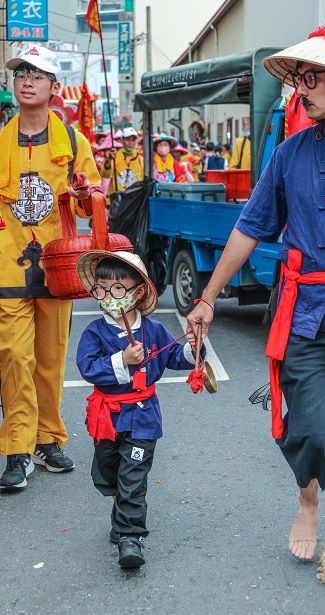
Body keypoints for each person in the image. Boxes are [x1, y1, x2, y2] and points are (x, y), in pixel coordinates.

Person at [186, 19, 325, 589]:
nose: (301, 89)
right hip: (306, 310)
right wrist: (208, 298)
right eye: (300, 78)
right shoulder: (289, 155)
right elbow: (250, 228)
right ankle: (308, 499)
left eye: (312, 78)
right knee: (310, 428)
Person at [0, 45, 101, 490]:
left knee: (49, 359)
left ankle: (48, 438)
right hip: (7, 266)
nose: (27, 79)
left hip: (58, 268)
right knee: (15, 360)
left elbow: (96, 199)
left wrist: (85, 193)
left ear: (53, 87)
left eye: (38, 74)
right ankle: (18, 449)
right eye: (21, 72)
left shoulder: (74, 143)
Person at [75, 251, 204, 568]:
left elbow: (174, 357)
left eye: (118, 288)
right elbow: (87, 367)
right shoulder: (94, 332)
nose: (109, 296)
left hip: (143, 417)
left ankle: (131, 537)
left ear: (139, 291)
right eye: (102, 289)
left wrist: (193, 347)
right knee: (109, 475)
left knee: (133, 478)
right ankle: (122, 516)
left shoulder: (154, 330)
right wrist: (122, 361)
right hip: (107, 419)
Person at [100, 126, 144, 196]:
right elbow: (105, 174)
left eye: (133, 140)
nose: (130, 143)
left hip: (135, 199)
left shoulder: (140, 160)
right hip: (117, 199)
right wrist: (109, 159)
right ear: (122, 140)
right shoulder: (114, 156)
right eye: (128, 139)